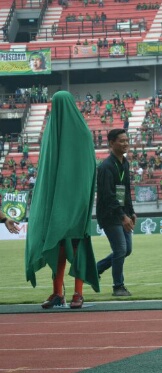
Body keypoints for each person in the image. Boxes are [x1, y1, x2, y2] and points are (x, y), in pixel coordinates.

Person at [24, 91, 99, 309]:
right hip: (57, 202)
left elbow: (87, 171)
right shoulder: (51, 133)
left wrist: (81, 201)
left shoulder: (81, 133)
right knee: (57, 247)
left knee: (75, 247)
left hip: (75, 202)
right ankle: (58, 292)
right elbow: (46, 172)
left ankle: (78, 293)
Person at [96, 129, 137, 297]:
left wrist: (131, 212)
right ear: (111, 143)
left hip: (122, 212)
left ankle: (95, 269)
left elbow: (125, 190)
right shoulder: (106, 167)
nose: (126, 143)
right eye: (121, 141)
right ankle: (118, 286)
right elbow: (108, 195)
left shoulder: (124, 163)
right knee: (120, 249)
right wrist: (123, 216)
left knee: (126, 250)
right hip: (109, 215)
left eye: (127, 140)